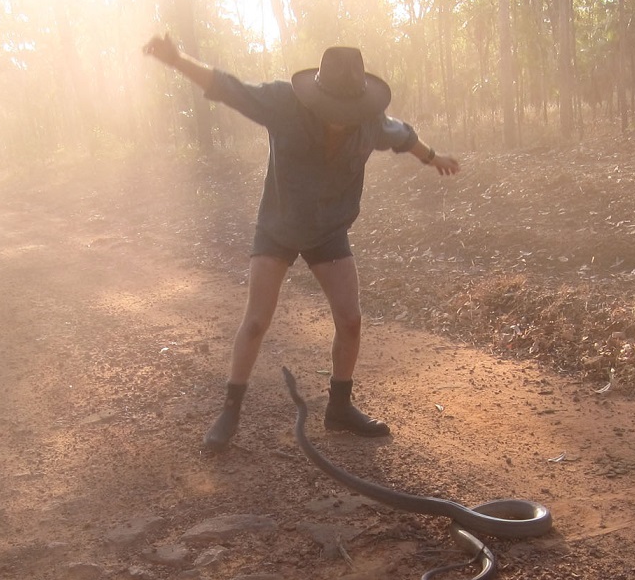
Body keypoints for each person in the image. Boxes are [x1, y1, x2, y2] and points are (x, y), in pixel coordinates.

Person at [143, 33, 460, 452]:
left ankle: (339, 408)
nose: (341, 119)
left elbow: (403, 136)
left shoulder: (369, 120)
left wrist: (432, 157)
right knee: (256, 321)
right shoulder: (282, 103)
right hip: (278, 225)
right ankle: (230, 410)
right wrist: (177, 58)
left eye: (349, 111)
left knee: (350, 320)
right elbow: (228, 86)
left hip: (329, 228)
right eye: (333, 111)